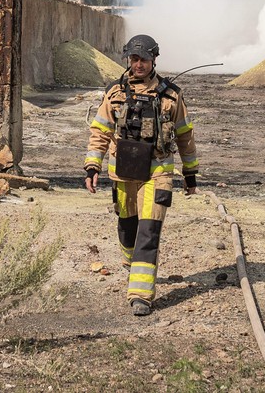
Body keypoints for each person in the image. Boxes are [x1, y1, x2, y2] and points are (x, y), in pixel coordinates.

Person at [84, 33, 199, 316]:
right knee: (127, 229)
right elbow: (100, 132)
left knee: (149, 231)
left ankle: (140, 295)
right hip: (123, 174)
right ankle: (131, 262)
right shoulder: (114, 93)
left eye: (144, 59)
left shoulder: (172, 96)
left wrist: (190, 174)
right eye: (134, 59)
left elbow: (185, 135)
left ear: (154, 59)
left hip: (157, 173)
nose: (138, 64)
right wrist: (92, 166)